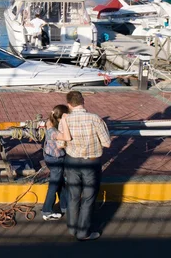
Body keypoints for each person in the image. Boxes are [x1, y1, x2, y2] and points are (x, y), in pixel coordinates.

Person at [59, 90, 111, 241]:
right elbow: (107, 143)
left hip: (72, 160)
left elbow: (61, 143)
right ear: (83, 101)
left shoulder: (65, 120)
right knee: (88, 198)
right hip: (91, 162)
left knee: (73, 195)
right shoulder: (95, 119)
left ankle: (72, 228)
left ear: (69, 105)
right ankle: (83, 232)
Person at [41, 104, 71, 221]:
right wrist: (65, 123)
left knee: (60, 182)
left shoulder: (50, 122)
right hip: (56, 159)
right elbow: (65, 137)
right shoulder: (53, 131)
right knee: (54, 185)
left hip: (50, 157)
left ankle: (65, 206)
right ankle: (47, 210)